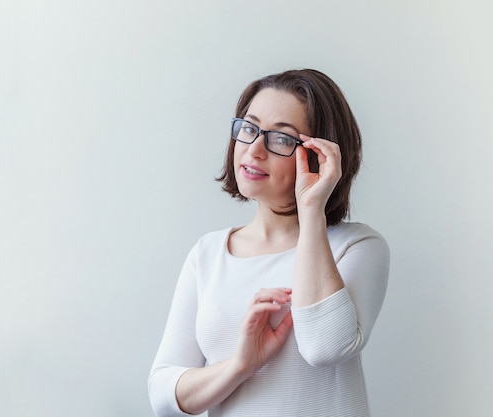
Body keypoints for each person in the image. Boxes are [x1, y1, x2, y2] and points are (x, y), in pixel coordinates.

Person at [148, 69, 390, 417]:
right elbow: (163, 395)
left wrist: (311, 211)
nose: (254, 149)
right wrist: (241, 365)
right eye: (249, 128)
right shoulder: (208, 253)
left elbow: (324, 347)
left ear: (319, 156)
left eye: (281, 138)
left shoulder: (357, 247)